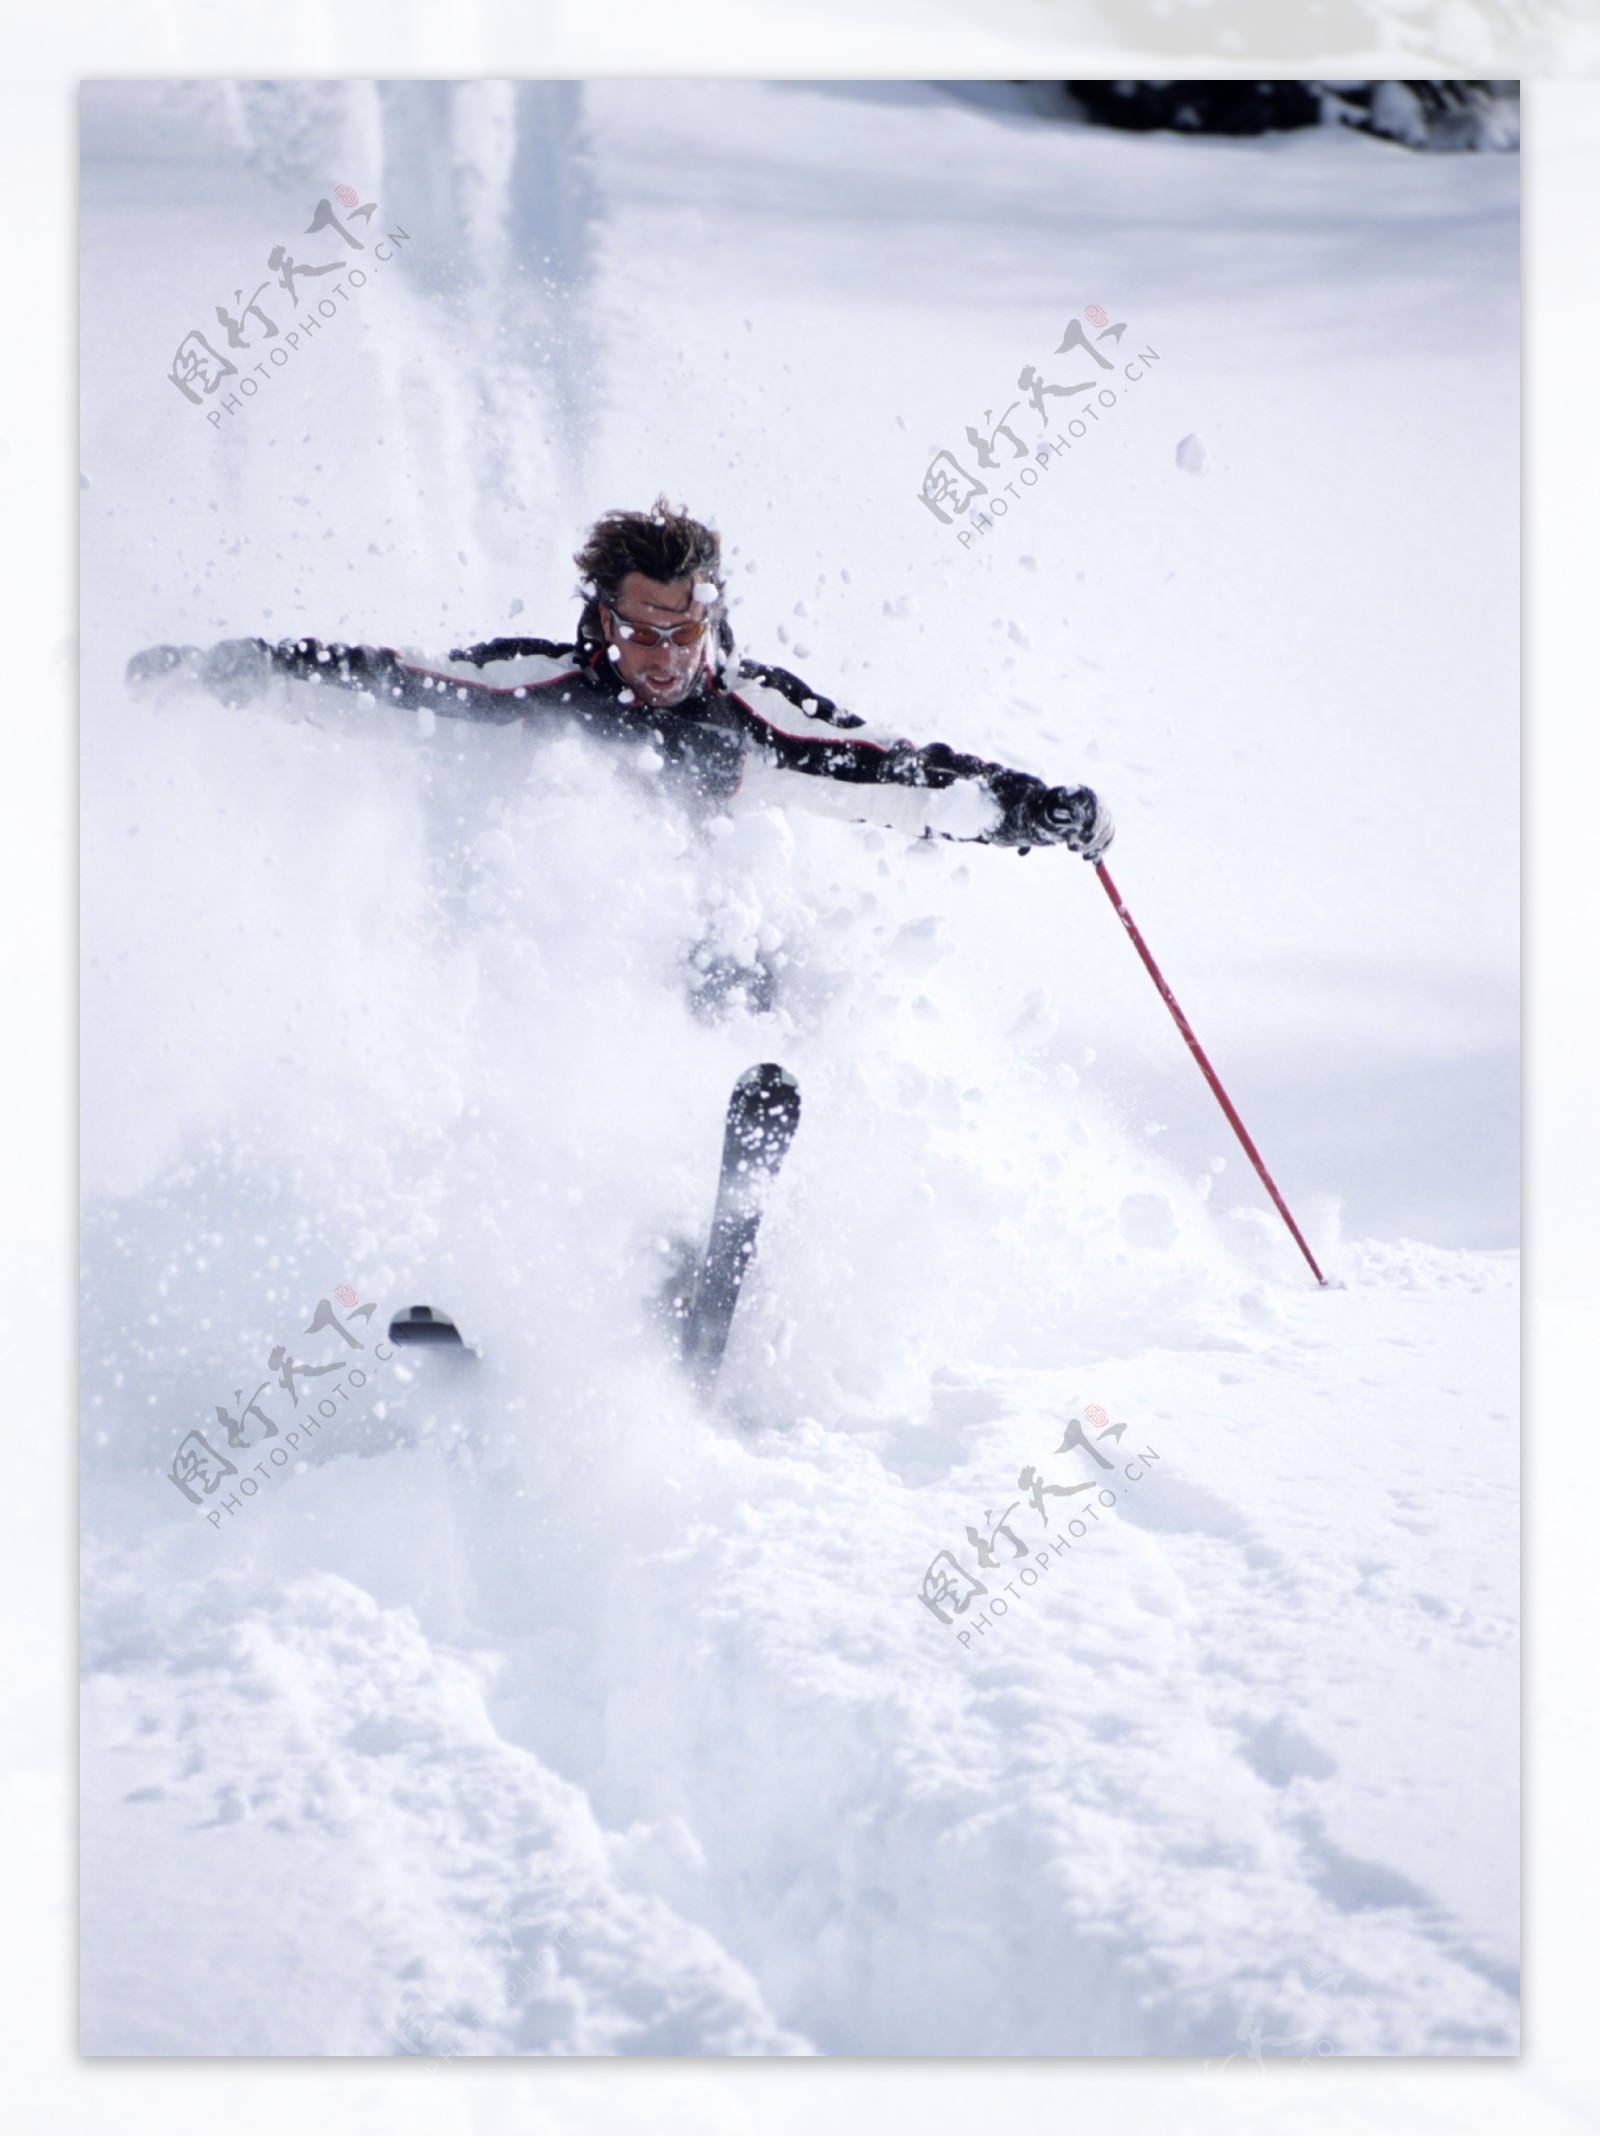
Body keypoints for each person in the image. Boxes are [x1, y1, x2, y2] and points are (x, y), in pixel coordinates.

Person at [128, 499, 1113, 861]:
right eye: (642, 628)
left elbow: (892, 770)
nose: (664, 652)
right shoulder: (537, 690)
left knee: (752, 971)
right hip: (544, 961)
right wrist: (236, 671)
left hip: (692, 948)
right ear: (602, 618)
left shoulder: (748, 713)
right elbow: (389, 685)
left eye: (683, 628)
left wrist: (1033, 811)